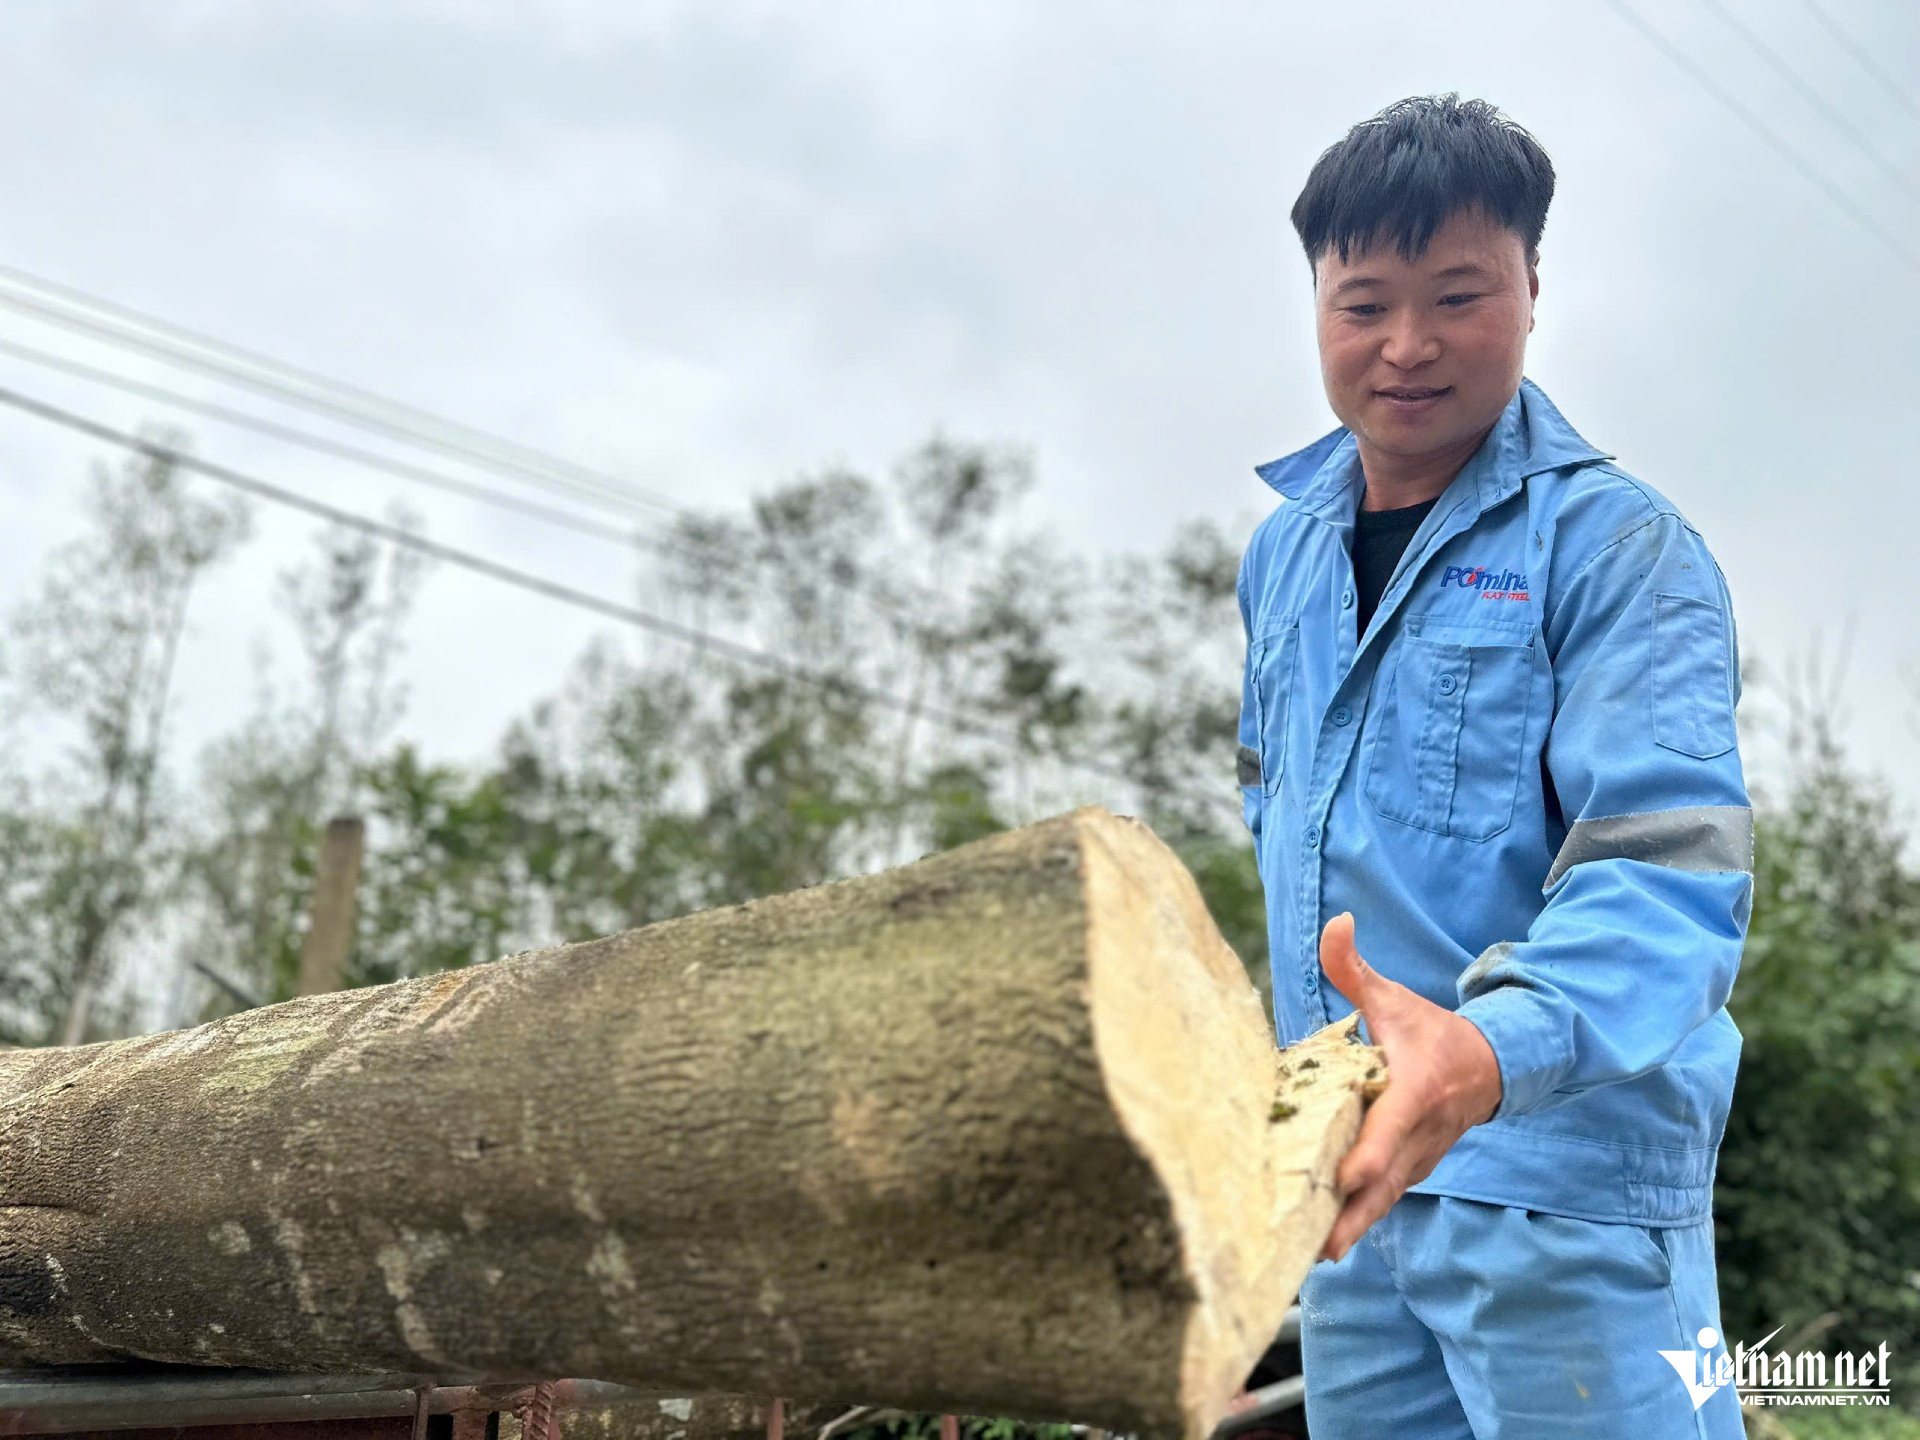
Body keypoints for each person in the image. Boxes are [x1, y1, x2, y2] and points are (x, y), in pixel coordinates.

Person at [1236, 95, 1752, 1438]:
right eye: (1364, 304)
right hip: (1349, 1183)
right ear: (1317, 306)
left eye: (1458, 296)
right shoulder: (1284, 558)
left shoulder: (1619, 551)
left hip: (1563, 1195)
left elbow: (1666, 876)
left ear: (1532, 289)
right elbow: (1277, 813)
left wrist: (1482, 1051)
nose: (1407, 345)